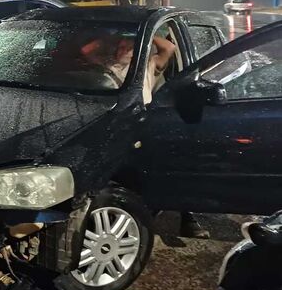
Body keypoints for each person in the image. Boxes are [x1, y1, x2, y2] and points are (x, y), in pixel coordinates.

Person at [80, 31, 210, 239]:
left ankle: (187, 216)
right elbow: (86, 50)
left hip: (146, 122)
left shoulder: (150, 64)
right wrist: (112, 38)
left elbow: (169, 48)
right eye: (119, 47)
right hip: (117, 122)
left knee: (170, 168)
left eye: (129, 48)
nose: (122, 50)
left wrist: (144, 35)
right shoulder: (108, 66)